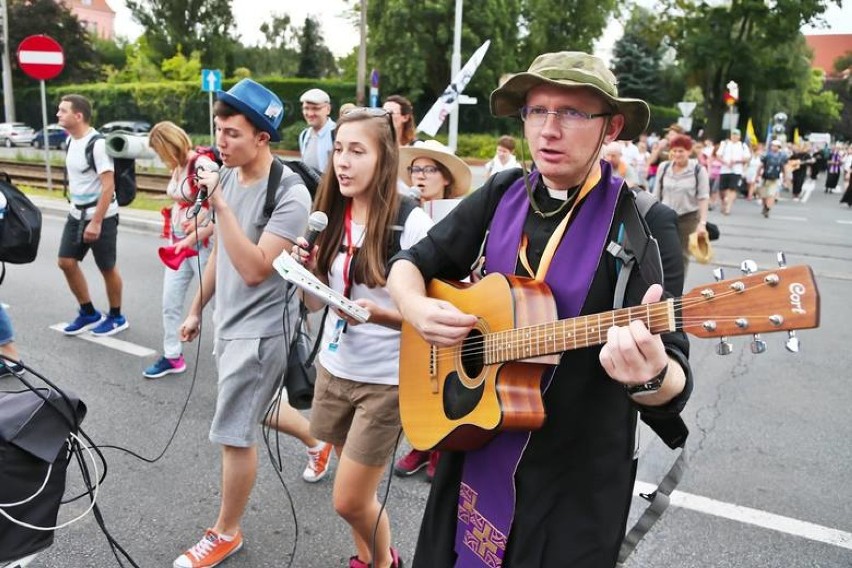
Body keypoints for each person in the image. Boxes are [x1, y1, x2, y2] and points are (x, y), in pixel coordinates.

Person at [387, 51, 692, 568]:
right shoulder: (504, 191)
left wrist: (652, 375)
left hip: (572, 485)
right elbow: (410, 262)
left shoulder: (645, 225)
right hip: (474, 441)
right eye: (536, 110)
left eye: (572, 112)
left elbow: (675, 379)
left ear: (611, 127)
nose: (549, 129)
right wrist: (416, 308)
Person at [173, 79, 332, 568]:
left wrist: (219, 205)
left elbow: (256, 267)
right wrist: (197, 306)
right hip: (229, 323)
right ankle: (316, 440)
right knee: (253, 410)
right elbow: (222, 251)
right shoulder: (230, 178)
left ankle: (226, 532)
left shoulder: (289, 195)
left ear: (263, 137)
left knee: (233, 434)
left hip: (263, 332)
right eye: (218, 132)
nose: (221, 143)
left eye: (233, 135)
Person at [291, 107, 432, 568]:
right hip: (335, 368)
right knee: (355, 497)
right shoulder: (329, 214)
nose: (343, 163)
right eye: (338, 150)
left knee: (349, 500)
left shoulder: (411, 223)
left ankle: (385, 564)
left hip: (385, 383)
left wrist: (383, 316)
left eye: (357, 151)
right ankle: (367, 559)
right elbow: (317, 305)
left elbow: (436, 317)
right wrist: (307, 272)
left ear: (384, 158)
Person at [393, 139, 472, 480]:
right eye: (415, 169)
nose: (420, 176)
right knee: (418, 380)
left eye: (429, 170)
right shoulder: (404, 213)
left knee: (448, 380)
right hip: (413, 308)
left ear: (446, 178)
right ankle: (422, 444)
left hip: (450, 304)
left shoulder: (461, 215)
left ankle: (442, 446)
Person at [141, 121, 216, 379]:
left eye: (160, 151)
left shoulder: (201, 164)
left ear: (169, 146)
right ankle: (172, 355)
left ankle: (227, 357)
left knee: (216, 303)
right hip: (178, 241)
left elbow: (219, 205)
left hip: (202, 244)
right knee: (169, 301)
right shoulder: (178, 167)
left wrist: (200, 219)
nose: (159, 158)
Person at [56, 94, 129, 337]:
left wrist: (96, 222)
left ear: (78, 116)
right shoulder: (71, 141)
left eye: (63, 111)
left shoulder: (96, 144)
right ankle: (88, 312)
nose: (58, 114)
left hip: (102, 215)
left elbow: (108, 186)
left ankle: (117, 317)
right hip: (76, 213)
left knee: (106, 267)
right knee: (66, 262)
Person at [651, 134, 710, 274]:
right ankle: (660, 284)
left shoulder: (698, 170)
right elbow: (656, 195)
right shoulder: (664, 167)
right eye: (675, 150)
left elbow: (703, 198)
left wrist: (702, 223)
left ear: (689, 151)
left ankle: (676, 290)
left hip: (687, 218)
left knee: (682, 255)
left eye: (681, 151)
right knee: (660, 252)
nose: (677, 154)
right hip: (664, 217)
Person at [299, 87, 336, 173]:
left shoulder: (337, 133)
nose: (310, 113)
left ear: (328, 109)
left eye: (315, 108)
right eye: (306, 108)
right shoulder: (304, 135)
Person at [717, 128, 751, 215]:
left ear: (739, 136)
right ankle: (724, 201)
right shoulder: (725, 144)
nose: (735, 137)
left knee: (732, 189)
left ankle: (728, 207)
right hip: (724, 170)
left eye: (736, 135)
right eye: (733, 135)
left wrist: (736, 161)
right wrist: (725, 162)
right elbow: (718, 155)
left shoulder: (743, 145)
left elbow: (747, 158)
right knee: (722, 190)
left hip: (736, 170)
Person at [756, 139, 789, 218]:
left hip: (775, 178)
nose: (773, 147)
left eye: (775, 146)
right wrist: (757, 176)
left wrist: (785, 178)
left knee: (771, 194)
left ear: (779, 147)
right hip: (765, 177)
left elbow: (784, 168)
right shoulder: (767, 155)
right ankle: (765, 206)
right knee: (763, 195)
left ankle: (768, 208)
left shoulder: (782, 156)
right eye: (772, 146)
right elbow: (761, 166)